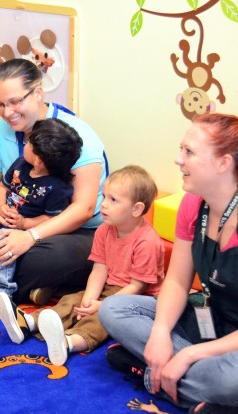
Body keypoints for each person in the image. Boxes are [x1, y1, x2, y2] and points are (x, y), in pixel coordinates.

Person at [99, 114, 238, 413]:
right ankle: (199, 393)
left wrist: (187, 357)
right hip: (210, 317)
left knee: (233, 380)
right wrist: (161, 333)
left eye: (189, 152)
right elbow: (176, 281)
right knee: (113, 309)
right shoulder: (192, 203)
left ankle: (152, 373)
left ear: (223, 163)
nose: (178, 160)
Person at [0, 58, 107, 307]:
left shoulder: (74, 136)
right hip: (12, 216)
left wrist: (31, 235)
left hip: (74, 229)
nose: (8, 112)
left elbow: (83, 209)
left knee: (42, 259)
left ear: (38, 93)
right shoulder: (0, 131)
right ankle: (29, 285)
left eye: (15, 101)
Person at [0, 165, 164, 366]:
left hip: (137, 297)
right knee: (72, 300)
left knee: (102, 318)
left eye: (113, 200)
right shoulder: (104, 230)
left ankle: (69, 343)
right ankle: (28, 323)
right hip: (110, 287)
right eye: (104, 197)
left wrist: (103, 305)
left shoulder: (148, 242)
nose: (103, 205)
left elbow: (138, 286)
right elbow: (99, 269)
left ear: (136, 209)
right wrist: (90, 298)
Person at [0, 118, 83, 320]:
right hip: (3, 217)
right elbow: (3, 187)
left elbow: (51, 218)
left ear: (38, 160)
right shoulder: (20, 165)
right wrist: (0, 207)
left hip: (23, 229)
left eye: (30, 143)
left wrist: (25, 225)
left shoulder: (58, 187)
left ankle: (0, 293)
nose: (25, 144)